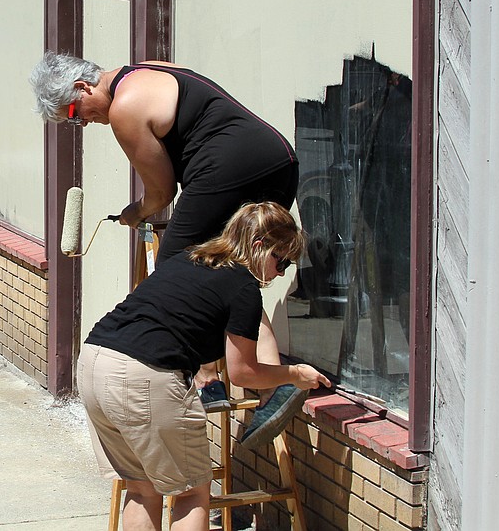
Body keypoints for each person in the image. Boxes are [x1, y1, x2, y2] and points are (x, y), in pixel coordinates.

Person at [30, 52, 302, 440]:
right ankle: (274, 386)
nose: (83, 122)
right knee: (233, 273)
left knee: (177, 267)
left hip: (231, 167)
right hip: (277, 158)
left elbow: (161, 192)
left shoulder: (124, 108)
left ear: (82, 87)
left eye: (75, 113)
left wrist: (134, 212)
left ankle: (209, 380)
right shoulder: (147, 68)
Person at [78, 202, 330, 531]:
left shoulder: (189, 258)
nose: (281, 272)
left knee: (141, 488)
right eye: (280, 260)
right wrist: (295, 374)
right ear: (258, 246)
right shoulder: (243, 287)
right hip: (145, 375)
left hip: (95, 363)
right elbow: (243, 373)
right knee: (191, 493)